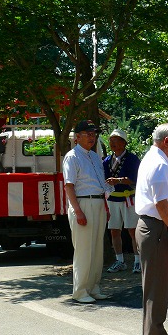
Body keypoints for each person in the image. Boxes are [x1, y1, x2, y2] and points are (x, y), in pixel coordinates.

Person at [135, 123, 168, 335]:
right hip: (156, 227)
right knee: (157, 282)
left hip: (153, 226)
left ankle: (155, 330)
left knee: (156, 281)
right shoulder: (159, 164)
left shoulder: (153, 159)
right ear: (167, 141)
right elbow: (161, 202)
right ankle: (154, 333)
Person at [63, 120, 113, 304]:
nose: (91, 137)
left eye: (93, 134)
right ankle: (80, 290)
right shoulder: (72, 156)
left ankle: (93, 287)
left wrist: (106, 205)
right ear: (77, 137)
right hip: (83, 203)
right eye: (87, 134)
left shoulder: (94, 157)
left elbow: (100, 183)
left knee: (97, 249)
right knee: (84, 249)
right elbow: (69, 186)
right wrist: (78, 211)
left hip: (98, 203)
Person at [103, 128, 141, 274]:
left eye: (116, 140)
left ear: (123, 143)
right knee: (114, 231)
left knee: (132, 230)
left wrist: (118, 180)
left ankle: (137, 260)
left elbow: (135, 178)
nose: (112, 142)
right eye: (111, 140)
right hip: (112, 198)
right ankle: (120, 260)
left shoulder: (132, 159)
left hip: (128, 198)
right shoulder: (107, 160)